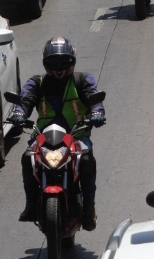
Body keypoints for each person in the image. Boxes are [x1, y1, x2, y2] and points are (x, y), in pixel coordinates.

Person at [10, 37, 105, 229]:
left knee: (86, 159)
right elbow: (25, 101)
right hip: (44, 137)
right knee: (27, 157)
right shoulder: (36, 82)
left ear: (72, 60)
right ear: (46, 62)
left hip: (77, 135)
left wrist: (97, 112)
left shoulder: (83, 80)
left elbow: (93, 98)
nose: (59, 67)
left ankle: (89, 207)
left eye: (64, 61)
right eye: (54, 62)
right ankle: (31, 203)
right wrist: (19, 114)